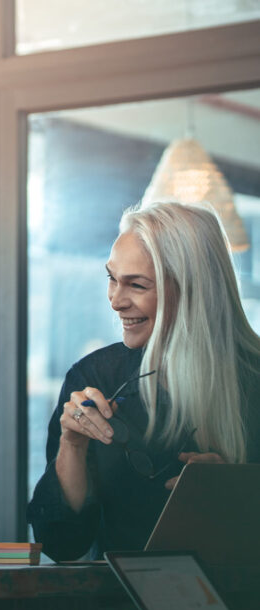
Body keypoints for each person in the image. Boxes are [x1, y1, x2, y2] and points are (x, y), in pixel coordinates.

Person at [27, 201, 260, 562]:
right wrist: (71, 445)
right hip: (118, 609)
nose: (116, 301)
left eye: (136, 285)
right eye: (111, 278)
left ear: (192, 289)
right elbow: (60, 545)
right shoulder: (94, 378)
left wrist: (235, 495)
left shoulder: (253, 378)